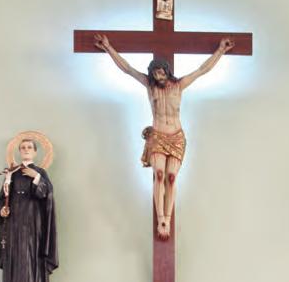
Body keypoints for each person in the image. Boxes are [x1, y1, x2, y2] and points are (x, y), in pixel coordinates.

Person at [93, 34, 234, 239]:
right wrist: (108, 47)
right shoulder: (149, 86)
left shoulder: (179, 85)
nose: (158, 75)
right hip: (158, 135)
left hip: (176, 137)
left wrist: (221, 50)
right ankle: (161, 219)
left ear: (167, 71)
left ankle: (168, 215)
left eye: (161, 71)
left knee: (171, 177)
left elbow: (202, 70)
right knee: (159, 175)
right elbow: (127, 69)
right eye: (155, 72)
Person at [0, 138, 58, 282]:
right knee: (15, 252)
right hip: (14, 223)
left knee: (32, 252)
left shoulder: (40, 173)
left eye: (29, 147)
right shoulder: (11, 174)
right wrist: (2, 210)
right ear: (19, 151)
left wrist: (36, 177)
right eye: (23, 147)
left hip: (33, 222)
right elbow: (3, 198)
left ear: (35, 152)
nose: (26, 149)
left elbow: (46, 195)